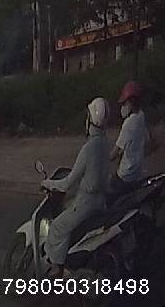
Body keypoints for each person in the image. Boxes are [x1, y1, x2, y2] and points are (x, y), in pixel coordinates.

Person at [42, 97, 111, 276]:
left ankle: (57, 269)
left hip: (86, 203)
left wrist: (48, 183)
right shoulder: (106, 144)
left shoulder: (89, 148)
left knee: (57, 227)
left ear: (90, 120)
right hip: (101, 201)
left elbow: (67, 183)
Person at [110, 81, 154, 197]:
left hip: (125, 175)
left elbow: (114, 153)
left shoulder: (129, 123)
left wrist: (101, 160)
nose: (123, 107)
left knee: (107, 196)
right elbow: (147, 141)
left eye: (124, 103)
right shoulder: (141, 116)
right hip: (137, 173)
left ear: (131, 102)